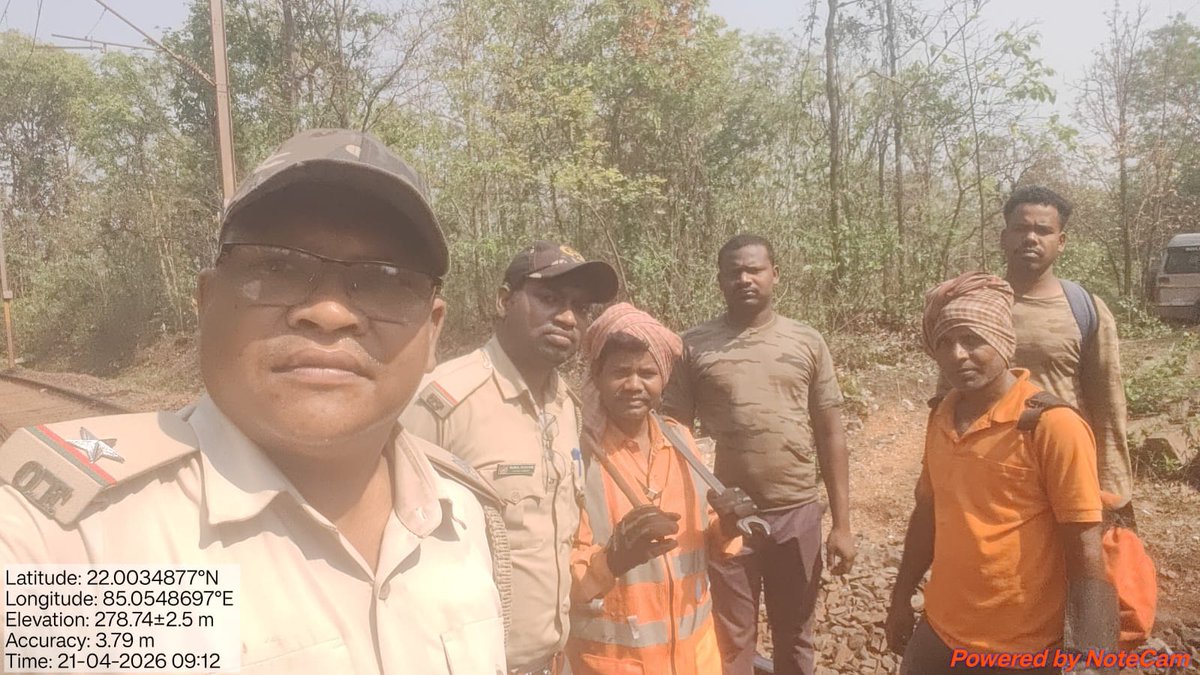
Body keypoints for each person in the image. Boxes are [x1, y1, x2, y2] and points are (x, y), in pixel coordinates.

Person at [0, 129, 506, 673]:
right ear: (207, 301)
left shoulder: (467, 516)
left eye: (384, 280)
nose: (330, 313)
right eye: (276, 269)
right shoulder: (75, 535)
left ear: (432, 334)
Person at [402, 240, 619, 674]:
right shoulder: (443, 402)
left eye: (580, 307)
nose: (567, 317)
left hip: (550, 660)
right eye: (549, 298)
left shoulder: (566, 406)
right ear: (504, 300)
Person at [886, 272, 1116, 674]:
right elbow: (927, 514)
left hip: (1022, 648)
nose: (957, 354)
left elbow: (1085, 545)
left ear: (1003, 341)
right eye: (945, 342)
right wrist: (900, 598)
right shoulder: (940, 415)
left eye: (973, 339)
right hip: (940, 629)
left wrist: (1094, 657)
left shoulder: (1052, 426)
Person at [662, 234, 855, 675]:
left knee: (795, 634)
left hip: (797, 511)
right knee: (732, 639)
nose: (745, 279)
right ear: (719, 280)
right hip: (726, 518)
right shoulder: (691, 346)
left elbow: (830, 433)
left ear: (775, 275)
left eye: (755, 269)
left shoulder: (806, 341)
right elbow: (674, 436)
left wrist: (843, 524)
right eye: (734, 272)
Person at [567, 303, 756, 674]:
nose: (634, 385)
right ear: (597, 377)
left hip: (695, 660)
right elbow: (560, 582)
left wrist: (728, 527)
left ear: (664, 379)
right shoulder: (578, 455)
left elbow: (708, 535)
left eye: (647, 373)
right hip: (615, 664)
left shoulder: (680, 439)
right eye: (620, 372)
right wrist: (613, 560)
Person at [999, 185, 1134, 514]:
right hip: (992, 467)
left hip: (1064, 465)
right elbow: (948, 396)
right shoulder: (980, 303)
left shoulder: (1086, 308)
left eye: (1043, 230)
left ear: (1061, 242)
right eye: (1021, 229)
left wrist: (1114, 490)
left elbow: (1107, 402)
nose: (1031, 238)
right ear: (1004, 237)